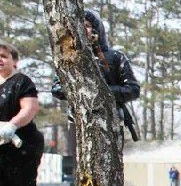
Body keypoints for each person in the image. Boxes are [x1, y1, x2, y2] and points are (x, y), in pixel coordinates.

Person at [52, 10, 141, 154]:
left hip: (110, 120)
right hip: (78, 122)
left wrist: (102, 92)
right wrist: (81, 90)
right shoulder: (68, 58)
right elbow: (56, 88)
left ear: (95, 29)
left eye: (86, 25)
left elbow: (133, 89)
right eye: (78, 25)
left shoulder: (116, 57)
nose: (82, 29)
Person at [0, 42, 44, 186]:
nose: (0, 60)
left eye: (3, 56)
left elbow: (30, 108)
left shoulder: (21, 82)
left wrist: (12, 125)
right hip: (0, 146)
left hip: (22, 145)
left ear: (14, 61)